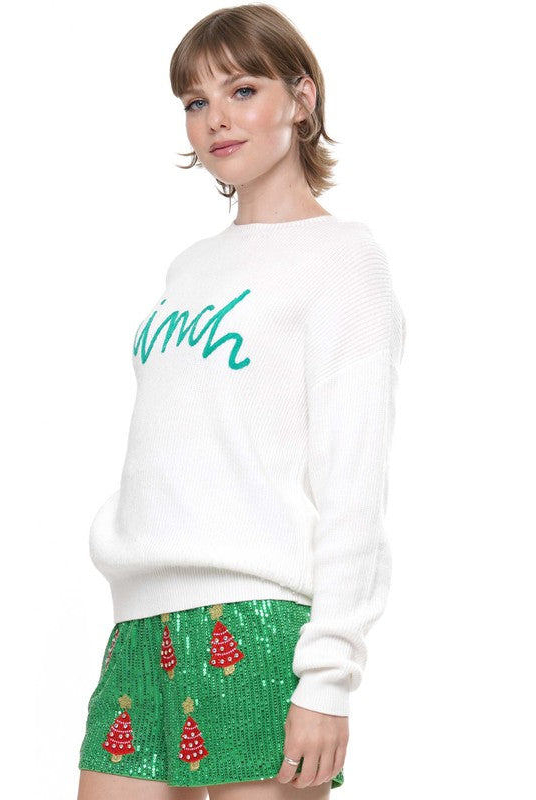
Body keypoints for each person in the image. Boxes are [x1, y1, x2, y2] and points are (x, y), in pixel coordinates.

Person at [77, 4, 406, 799]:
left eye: (242, 90)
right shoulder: (189, 267)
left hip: (257, 623)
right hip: (141, 620)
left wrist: (327, 679)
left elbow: (353, 480)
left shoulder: (344, 260)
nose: (215, 118)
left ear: (301, 98)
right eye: (195, 101)